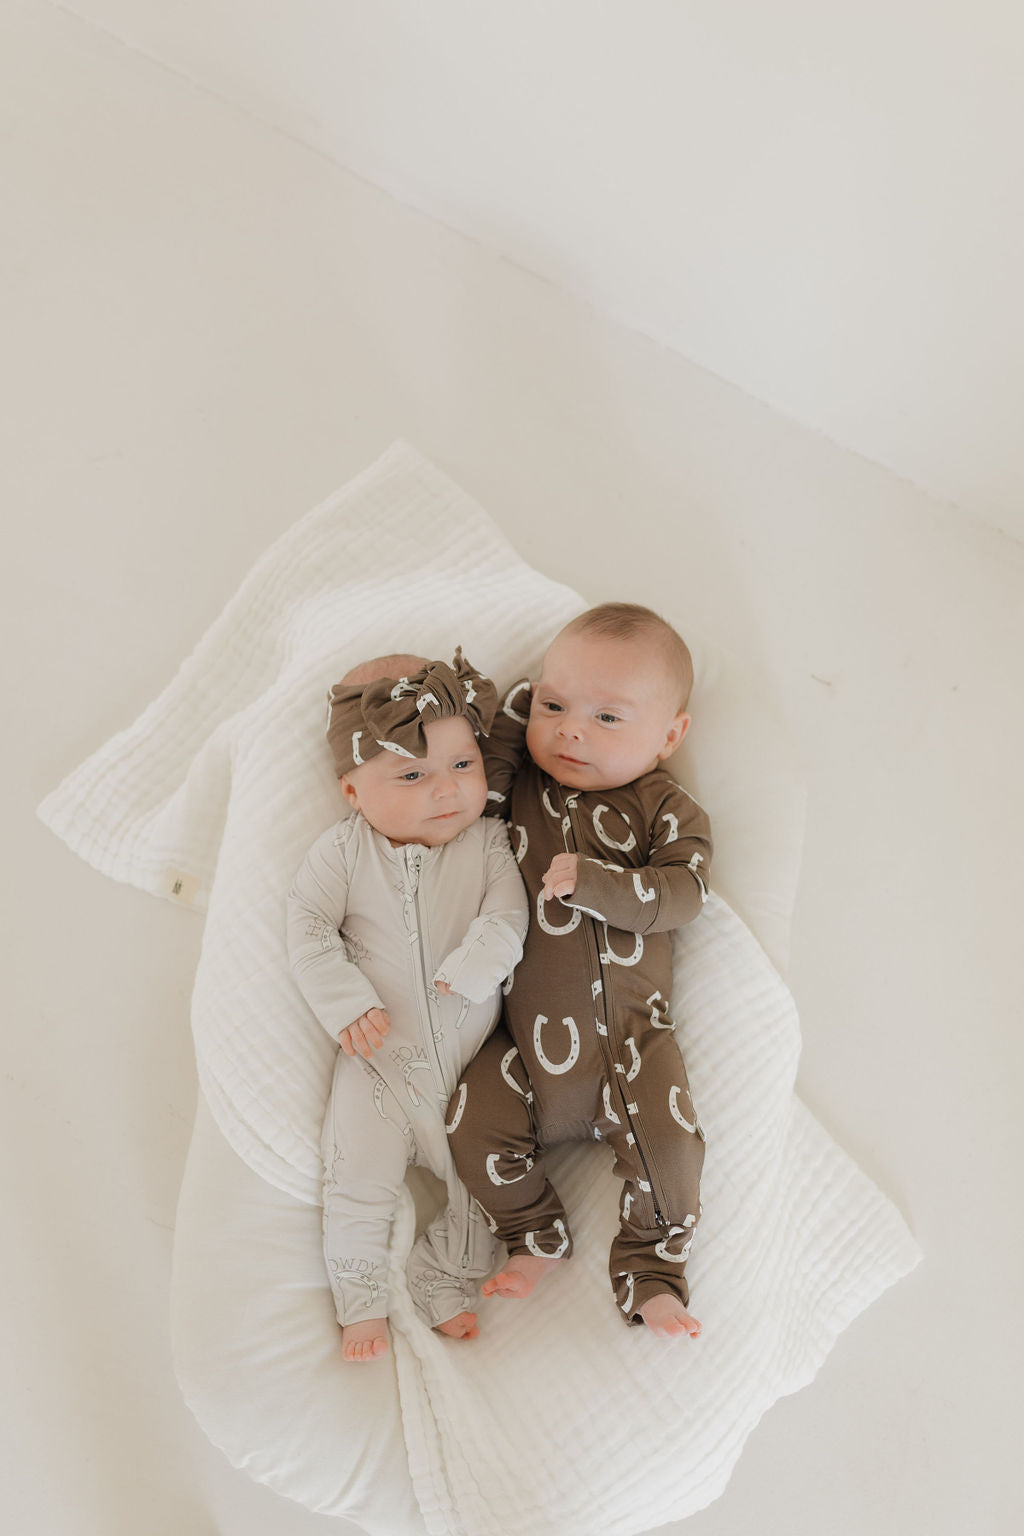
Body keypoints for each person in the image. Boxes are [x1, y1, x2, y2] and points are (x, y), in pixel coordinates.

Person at [446, 604, 712, 1339]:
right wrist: (506, 709)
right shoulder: (518, 790)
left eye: (607, 718)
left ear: (669, 736)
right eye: (555, 706)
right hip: (522, 1049)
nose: (570, 731)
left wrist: (601, 884)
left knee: (672, 1150)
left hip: (631, 1046)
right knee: (470, 1121)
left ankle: (652, 1270)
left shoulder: (665, 806)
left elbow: (685, 893)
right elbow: (480, 772)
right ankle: (533, 1232)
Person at [287, 649, 529, 1362]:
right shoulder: (343, 854)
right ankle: (360, 1302)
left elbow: (508, 916)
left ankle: (441, 1275)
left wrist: (481, 960)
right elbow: (308, 928)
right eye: (413, 775)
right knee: (355, 1181)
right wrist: (345, 1002)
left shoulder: (488, 843)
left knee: (489, 1186)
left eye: (462, 764)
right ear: (353, 792)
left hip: (473, 1075)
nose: (447, 789)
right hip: (377, 1069)